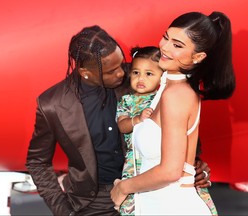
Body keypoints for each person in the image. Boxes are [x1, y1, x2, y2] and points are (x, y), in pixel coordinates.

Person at [26, 25, 213, 216]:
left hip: (145, 189)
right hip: (93, 202)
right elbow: (37, 162)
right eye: (111, 71)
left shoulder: (140, 74)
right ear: (85, 72)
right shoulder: (52, 104)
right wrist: (62, 210)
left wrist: (193, 165)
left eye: (121, 64)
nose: (122, 73)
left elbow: (177, 118)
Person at [111, 11, 235, 215]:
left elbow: (170, 171)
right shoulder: (166, 85)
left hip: (172, 206)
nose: (164, 47)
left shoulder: (177, 95)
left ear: (198, 57)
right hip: (157, 204)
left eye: (177, 45)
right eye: (166, 37)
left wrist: (123, 187)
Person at [116, 46, 163, 215]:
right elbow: (122, 126)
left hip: (162, 156)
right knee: (133, 202)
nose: (140, 78)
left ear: (161, 76)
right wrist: (137, 119)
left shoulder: (164, 97)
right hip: (135, 158)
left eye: (149, 74)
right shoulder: (127, 100)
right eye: (136, 72)